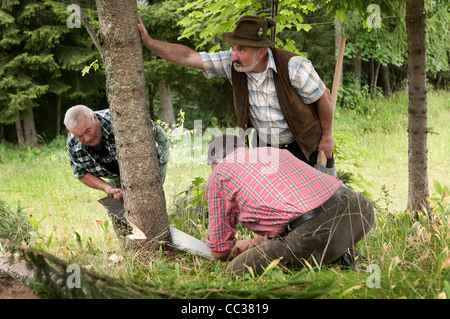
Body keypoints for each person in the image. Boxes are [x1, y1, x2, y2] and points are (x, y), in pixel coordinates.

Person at [138, 15, 335, 168]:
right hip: (267, 148)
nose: (234, 56)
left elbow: (323, 97)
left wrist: (326, 137)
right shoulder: (231, 64)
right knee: (274, 208)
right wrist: (148, 42)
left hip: (304, 144)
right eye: (232, 48)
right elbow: (188, 57)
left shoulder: (294, 66)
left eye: (241, 49)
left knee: (317, 204)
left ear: (260, 51)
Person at [205, 134, 374, 276]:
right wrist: (253, 243)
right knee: (306, 238)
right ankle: (339, 254)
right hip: (360, 210)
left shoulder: (219, 174)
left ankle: (331, 254)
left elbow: (219, 252)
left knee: (236, 270)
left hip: (316, 230)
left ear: (216, 160)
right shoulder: (273, 152)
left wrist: (233, 254)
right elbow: (290, 211)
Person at [64, 105, 169, 237]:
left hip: (149, 149)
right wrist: (107, 187)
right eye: (80, 136)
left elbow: (153, 157)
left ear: (95, 118)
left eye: (88, 131)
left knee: (144, 196)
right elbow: (80, 173)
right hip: (113, 165)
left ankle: (158, 238)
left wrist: (138, 189)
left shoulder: (121, 122)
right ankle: (127, 245)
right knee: (115, 206)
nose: (87, 139)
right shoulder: (73, 144)